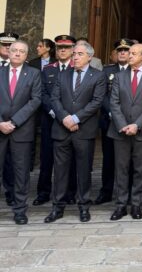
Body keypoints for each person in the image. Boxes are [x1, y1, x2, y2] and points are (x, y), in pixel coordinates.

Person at [44, 41, 105, 223]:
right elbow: (54, 98)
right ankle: (57, 207)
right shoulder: (63, 75)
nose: (75, 57)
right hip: (62, 129)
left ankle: (83, 206)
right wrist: (65, 118)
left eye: (79, 54)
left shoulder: (98, 76)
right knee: (60, 171)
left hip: (83, 131)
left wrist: (76, 118)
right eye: (74, 54)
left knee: (83, 171)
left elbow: (96, 102)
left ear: (89, 57)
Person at [108, 43, 142, 221]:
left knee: (139, 169)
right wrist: (123, 124)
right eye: (129, 53)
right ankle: (121, 205)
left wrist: (137, 125)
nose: (129, 55)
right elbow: (113, 102)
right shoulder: (119, 76)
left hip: (141, 130)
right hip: (120, 131)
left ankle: (136, 204)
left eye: (133, 53)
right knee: (121, 168)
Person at [0, 40, 41, 224]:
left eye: (21, 51)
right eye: (14, 50)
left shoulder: (33, 74)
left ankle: (19, 210)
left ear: (26, 55)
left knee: (21, 172)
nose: (17, 53)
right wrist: (1, 122)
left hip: (21, 130)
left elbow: (36, 100)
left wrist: (14, 122)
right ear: (8, 53)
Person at [35, 34, 77, 206]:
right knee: (47, 158)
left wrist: (70, 117)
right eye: (60, 47)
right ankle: (43, 192)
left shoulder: (77, 68)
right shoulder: (48, 69)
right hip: (51, 120)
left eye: (66, 47)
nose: (63, 50)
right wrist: (55, 113)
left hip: (72, 122)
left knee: (72, 159)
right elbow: (43, 94)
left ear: (73, 49)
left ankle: (70, 192)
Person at [94, 38, 133, 205]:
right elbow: (101, 96)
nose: (123, 53)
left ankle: (129, 191)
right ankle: (106, 191)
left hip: (131, 122)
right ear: (116, 54)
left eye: (126, 50)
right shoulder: (106, 71)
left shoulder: (136, 71)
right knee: (109, 159)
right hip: (110, 121)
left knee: (130, 159)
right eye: (120, 50)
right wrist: (113, 113)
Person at [0, 32, 19, 207]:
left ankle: (11, 193)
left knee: (12, 164)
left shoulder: (26, 70)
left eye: (10, 45)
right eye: (4, 44)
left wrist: (14, 121)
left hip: (17, 126)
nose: (7, 48)